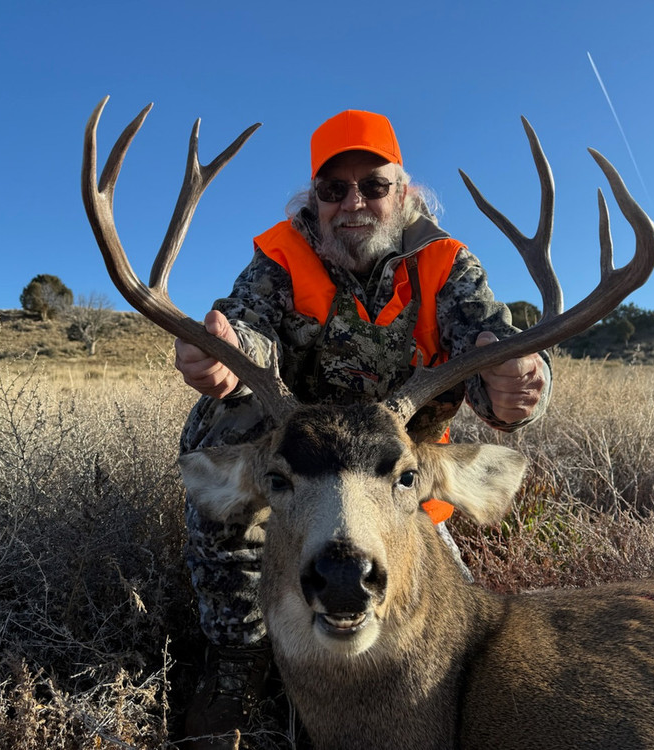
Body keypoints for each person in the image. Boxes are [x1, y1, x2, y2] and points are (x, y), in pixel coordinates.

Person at [176, 109, 551, 747]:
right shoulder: (278, 261)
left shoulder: (447, 267)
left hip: (397, 480)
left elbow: (493, 350)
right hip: (297, 466)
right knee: (228, 417)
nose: (354, 203)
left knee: (443, 627)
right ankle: (238, 652)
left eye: (374, 186)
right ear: (314, 201)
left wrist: (519, 382)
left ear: (402, 193)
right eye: (334, 190)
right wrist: (223, 353)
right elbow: (250, 329)